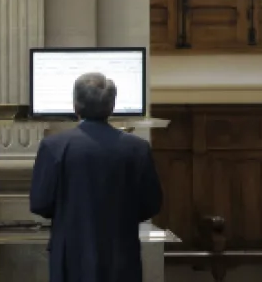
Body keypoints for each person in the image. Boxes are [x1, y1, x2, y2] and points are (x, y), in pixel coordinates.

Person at [30, 72, 163, 282]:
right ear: (112, 106)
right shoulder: (138, 148)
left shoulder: (54, 146)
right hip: (122, 254)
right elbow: (151, 204)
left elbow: (40, 203)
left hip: (71, 254)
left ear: (75, 106)